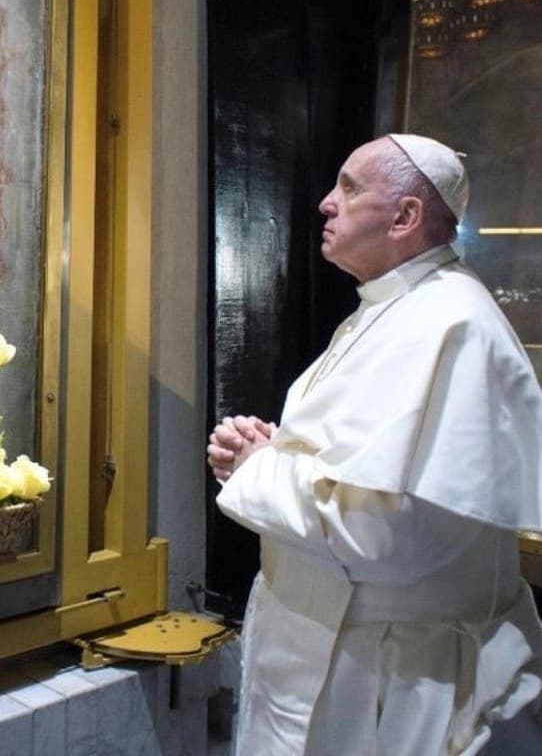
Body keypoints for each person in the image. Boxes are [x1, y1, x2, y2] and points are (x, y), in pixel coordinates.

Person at [207, 133, 542, 754]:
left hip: (393, 676)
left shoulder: (450, 323)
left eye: (350, 187)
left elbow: (384, 534)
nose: (326, 203)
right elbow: (354, 457)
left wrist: (257, 470)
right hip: (332, 642)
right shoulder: (388, 307)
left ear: (405, 217)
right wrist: (273, 453)